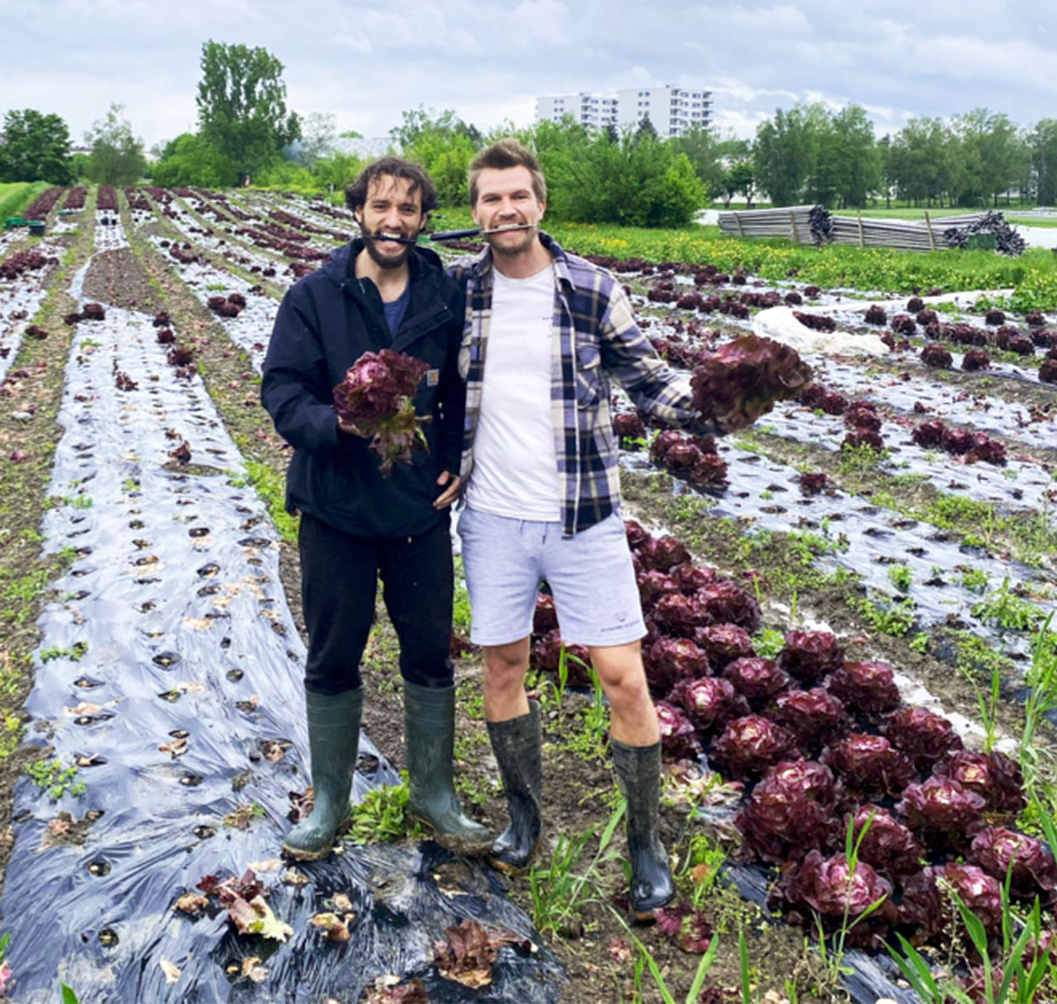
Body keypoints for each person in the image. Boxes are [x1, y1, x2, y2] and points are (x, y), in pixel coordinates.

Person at [454, 138, 719, 913]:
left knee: (622, 676)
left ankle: (645, 843)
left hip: (585, 515)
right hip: (492, 517)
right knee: (503, 668)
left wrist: (724, 405)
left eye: (518, 195)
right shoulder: (460, 289)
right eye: (491, 198)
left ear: (541, 204)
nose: (506, 209)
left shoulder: (593, 289)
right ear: (475, 212)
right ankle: (523, 821)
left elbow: (650, 383)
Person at [260, 156, 492, 861]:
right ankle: (329, 800)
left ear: (423, 221)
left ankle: (434, 794)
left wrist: (451, 455)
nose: (394, 220)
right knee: (334, 653)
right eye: (381, 206)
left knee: (429, 650)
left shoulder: (444, 296)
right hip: (335, 503)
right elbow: (282, 389)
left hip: (418, 507)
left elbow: (460, 390)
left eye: (408, 209)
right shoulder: (316, 296)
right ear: (358, 212)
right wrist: (333, 424)